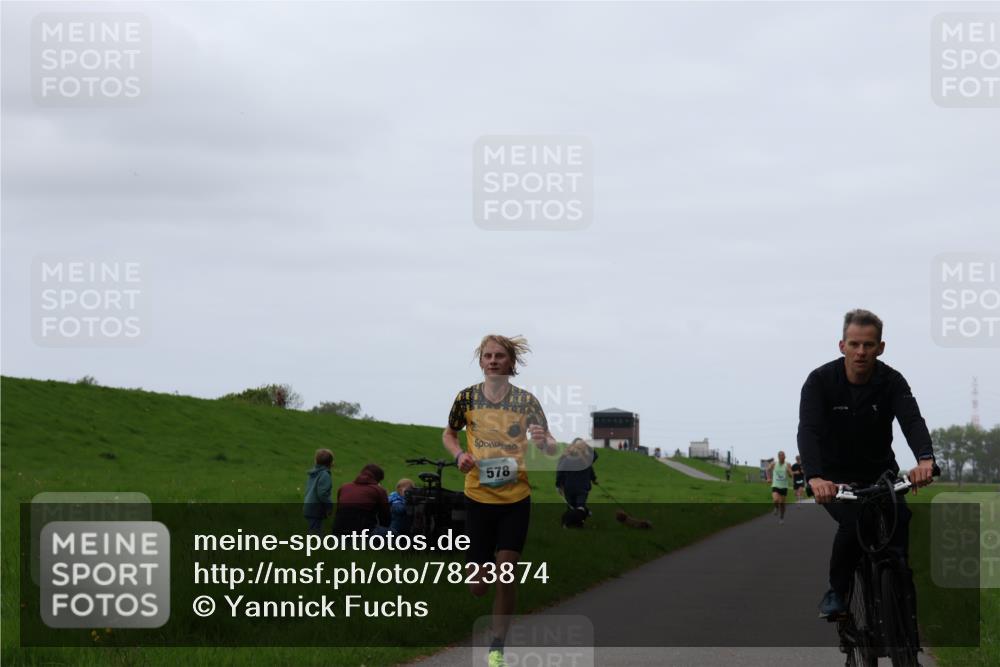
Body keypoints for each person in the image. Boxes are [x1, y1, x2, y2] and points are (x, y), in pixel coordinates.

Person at [798, 309, 935, 618]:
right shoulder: (820, 382)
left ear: (880, 347)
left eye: (869, 345)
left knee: (899, 519)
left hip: (880, 472)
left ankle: (903, 608)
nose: (861, 352)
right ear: (842, 345)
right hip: (835, 477)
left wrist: (925, 459)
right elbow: (808, 430)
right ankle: (838, 591)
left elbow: (911, 421)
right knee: (854, 521)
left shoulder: (892, 381)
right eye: (855, 344)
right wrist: (816, 477)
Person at [443, 334, 557, 667]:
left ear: (511, 363)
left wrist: (543, 440)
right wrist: (459, 454)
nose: (493, 361)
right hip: (478, 496)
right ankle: (482, 569)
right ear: (481, 362)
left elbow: (549, 445)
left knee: (507, 572)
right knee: (478, 586)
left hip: (515, 497)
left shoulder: (526, 402)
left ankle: (497, 646)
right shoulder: (466, 399)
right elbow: (449, 433)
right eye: (488, 356)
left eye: (500, 356)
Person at [332, 463, 391, 537]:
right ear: (378, 479)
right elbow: (385, 517)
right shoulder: (378, 490)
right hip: (363, 531)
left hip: (338, 531)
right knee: (394, 534)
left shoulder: (344, 487)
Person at [556, 438, 598, 511]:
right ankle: (581, 516)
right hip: (582, 488)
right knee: (580, 507)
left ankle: (573, 518)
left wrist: (558, 484)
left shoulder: (566, 458)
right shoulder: (587, 459)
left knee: (572, 507)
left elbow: (560, 472)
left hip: (569, 487)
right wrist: (593, 479)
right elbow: (591, 466)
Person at [303, 448, 334, 534]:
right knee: (315, 533)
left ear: (316, 461)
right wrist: (329, 505)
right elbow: (323, 493)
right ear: (331, 463)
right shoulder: (325, 475)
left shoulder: (314, 473)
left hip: (309, 505)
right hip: (315, 508)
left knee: (314, 530)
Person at [766, 450, 793, 524]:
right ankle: (776, 508)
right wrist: (768, 478)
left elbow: (791, 475)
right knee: (775, 500)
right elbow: (767, 470)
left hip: (784, 486)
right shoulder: (774, 464)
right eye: (781, 456)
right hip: (776, 485)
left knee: (782, 504)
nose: (783, 457)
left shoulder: (788, 464)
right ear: (778, 457)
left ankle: (781, 518)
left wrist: (789, 472)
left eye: (784, 456)